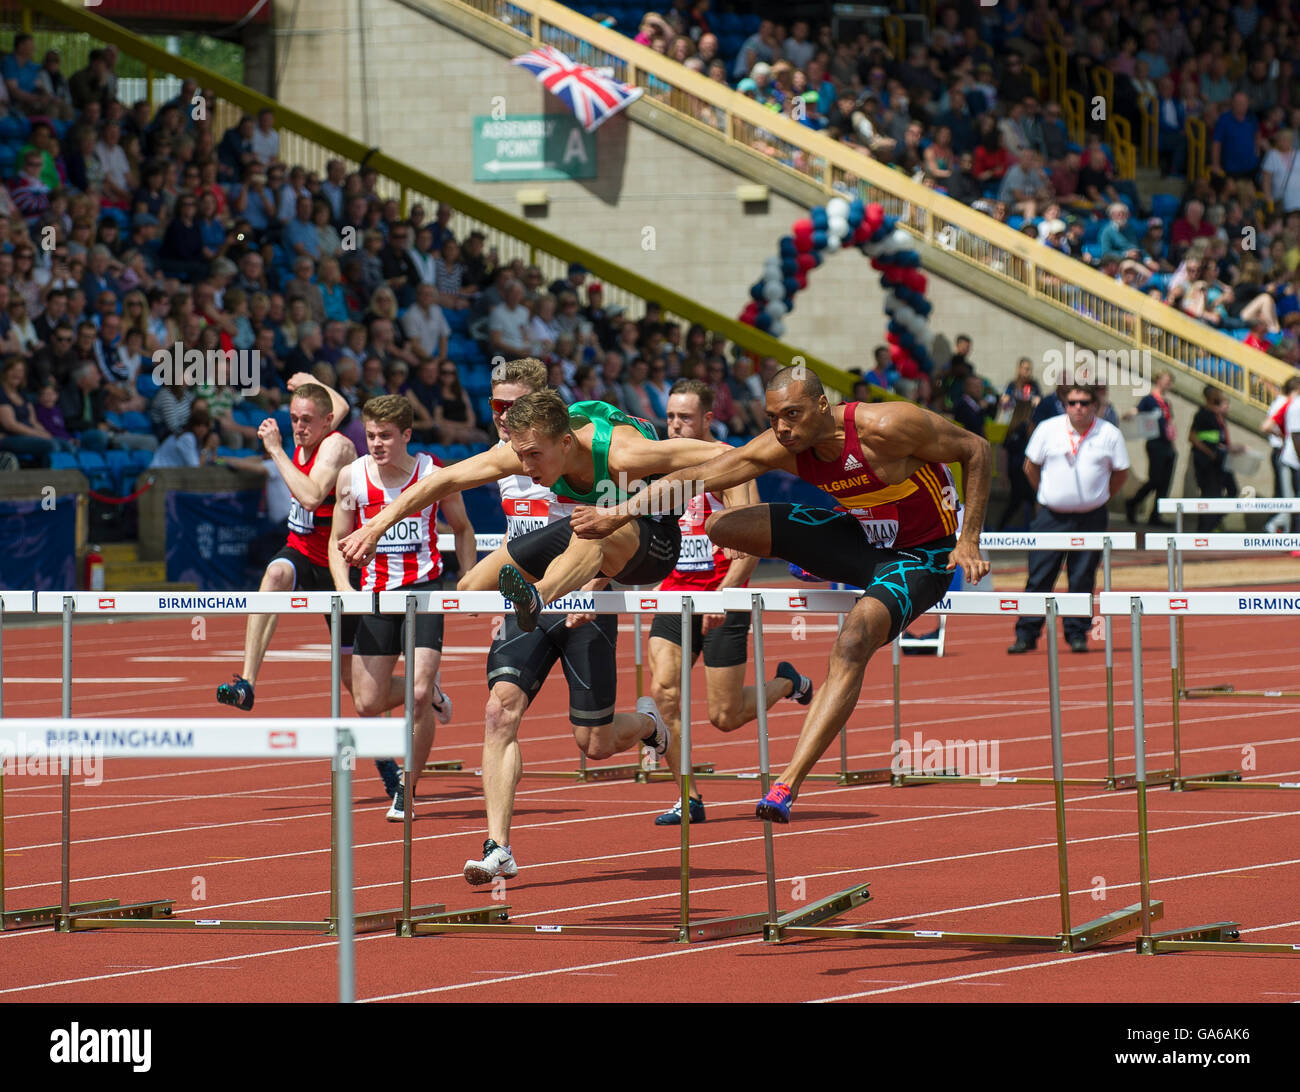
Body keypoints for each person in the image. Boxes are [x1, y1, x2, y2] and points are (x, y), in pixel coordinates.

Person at [572, 366, 991, 824]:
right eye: (773, 417)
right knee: (722, 524)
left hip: (921, 554)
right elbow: (701, 476)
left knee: (852, 641)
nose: (782, 429)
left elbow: (976, 448)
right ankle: (817, 559)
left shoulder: (885, 426)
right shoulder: (780, 444)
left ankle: (787, 783)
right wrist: (618, 514)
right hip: (862, 541)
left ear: (823, 407)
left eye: (792, 415)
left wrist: (968, 539)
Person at [647, 379, 813, 826]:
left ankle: (787, 683)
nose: (675, 426)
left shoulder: (732, 464)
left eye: (684, 417)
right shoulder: (658, 467)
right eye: (669, 416)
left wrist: (726, 593)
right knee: (664, 691)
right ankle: (689, 797)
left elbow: (754, 542)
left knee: (725, 715)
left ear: (706, 419)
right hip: (674, 596)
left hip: (724, 595)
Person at [327, 395, 475, 819]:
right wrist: (344, 588)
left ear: (406, 435)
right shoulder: (352, 477)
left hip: (424, 591)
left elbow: (462, 529)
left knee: (418, 692)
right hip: (375, 593)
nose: (376, 443)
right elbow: (338, 542)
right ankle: (433, 695)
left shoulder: (432, 474)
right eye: (370, 435)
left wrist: (467, 582)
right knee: (367, 702)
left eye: (386, 436)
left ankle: (407, 788)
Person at [215, 377, 356, 711]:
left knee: (359, 687)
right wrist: (312, 382)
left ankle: (386, 758)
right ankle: (246, 684)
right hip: (302, 549)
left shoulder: (335, 446)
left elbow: (309, 497)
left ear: (327, 421)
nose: (298, 427)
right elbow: (339, 405)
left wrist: (276, 450)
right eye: (293, 419)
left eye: (306, 420)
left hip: (338, 561)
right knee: (275, 575)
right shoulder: (308, 432)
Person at [1008, 384, 1129, 655]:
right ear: (1065, 404)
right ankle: (1026, 634)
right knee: (1039, 577)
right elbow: (1030, 466)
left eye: (1085, 402)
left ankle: (1077, 634)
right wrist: (1045, 494)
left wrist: (1101, 496)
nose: (1078, 408)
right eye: (1072, 402)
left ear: (1095, 406)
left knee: (1082, 577)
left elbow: (1121, 472)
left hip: (1091, 517)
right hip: (1051, 516)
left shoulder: (1109, 433)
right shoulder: (1047, 429)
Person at [1125, 369, 1177, 526]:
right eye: (1166, 379)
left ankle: (1156, 515)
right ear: (1158, 379)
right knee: (1155, 479)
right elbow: (1137, 410)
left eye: (1170, 381)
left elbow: (1168, 422)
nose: (1168, 383)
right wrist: (1129, 415)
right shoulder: (1149, 399)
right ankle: (1133, 502)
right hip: (1155, 444)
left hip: (1168, 445)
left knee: (1165, 483)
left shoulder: (1166, 403)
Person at [1189, 385, 1244, 531]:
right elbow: (1193, 437)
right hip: (1207, 463)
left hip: (1220, 461)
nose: (1221, 396)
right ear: (1212, 396)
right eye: (1219, 393)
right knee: (1210, 495)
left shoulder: (1218, 417)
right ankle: (1204, 530)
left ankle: (1213, 522)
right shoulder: (1203, 414)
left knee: (1232, 491)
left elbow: (1220, 441)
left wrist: (1233, 449)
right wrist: (1210, 453)